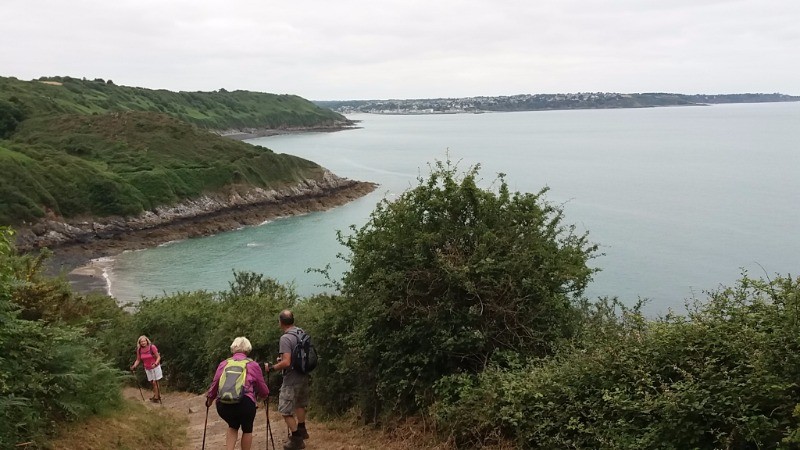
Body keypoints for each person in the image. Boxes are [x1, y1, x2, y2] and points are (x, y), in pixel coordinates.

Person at [207, 336, 269, 450]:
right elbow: (262, 386)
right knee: (247, 429)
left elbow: (215, 383)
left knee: (233, 425)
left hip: (224, 403)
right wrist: (265, 395)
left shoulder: (224, 363)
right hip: (245, 402)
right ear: (248, 349)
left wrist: (210, 399)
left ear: (233, 348)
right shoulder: (252, 365)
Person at [265, 310, 310, 450]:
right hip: (303, 374)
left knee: (284, 410)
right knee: (299, 404)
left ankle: (297, 439)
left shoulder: (285, 338)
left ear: (281, 322)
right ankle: (302, 429)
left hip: (291, 379)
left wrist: (272, 367)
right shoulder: (301, 332)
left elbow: (286, 362)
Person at [130, 335, 163, 402]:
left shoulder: (152, 347)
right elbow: (138, 359)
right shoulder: (139, 350)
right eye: (141, 342)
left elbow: (158, 357)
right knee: (152, 382)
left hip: (155, 367)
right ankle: (157, 394)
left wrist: (155, 363)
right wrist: (134, 366)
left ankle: (156, 398)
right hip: (147, 368)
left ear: (147, 341)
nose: (143, 343)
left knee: (155, 382)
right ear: (139, 343)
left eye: (144, 341)